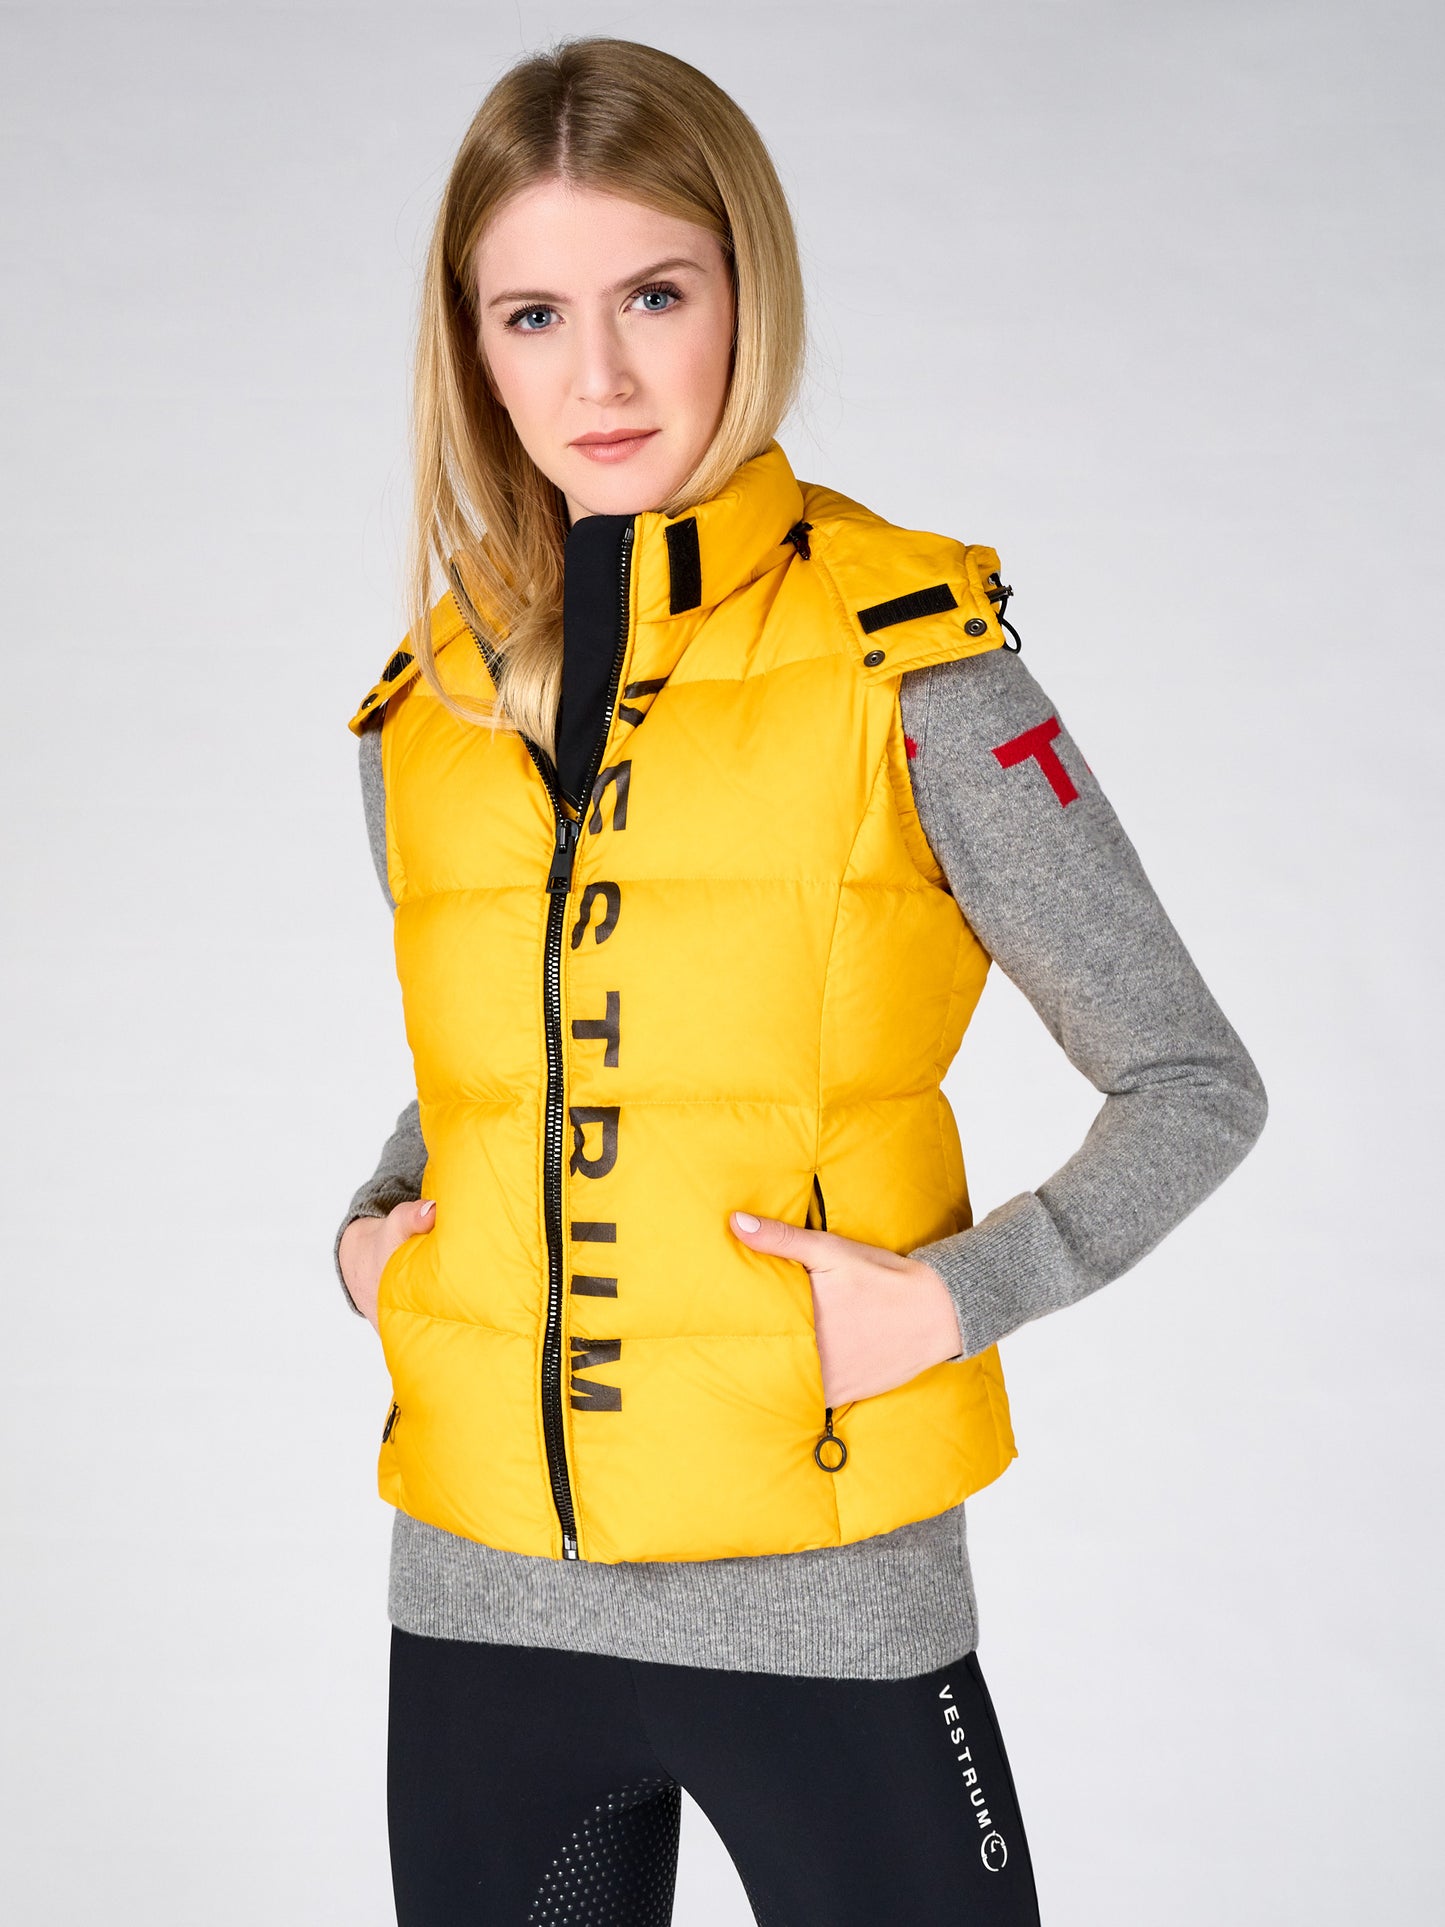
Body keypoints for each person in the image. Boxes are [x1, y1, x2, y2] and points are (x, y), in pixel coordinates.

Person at [334, 36, 1267, 1926]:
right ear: (473, 347)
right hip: (478, 1596)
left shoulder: (909, 660)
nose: (597, 377)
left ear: (745, 295)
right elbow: (513, 1060)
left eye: (654, 296)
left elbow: (1191, 1081)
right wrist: (372, 1236)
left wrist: (954, 1302)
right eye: (533, 315)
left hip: (823, 1587)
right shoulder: (429, 702)